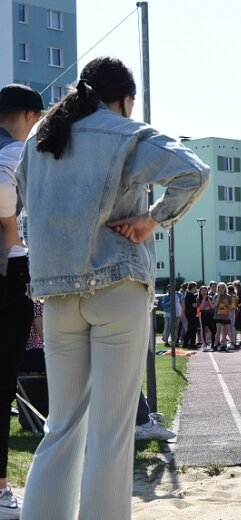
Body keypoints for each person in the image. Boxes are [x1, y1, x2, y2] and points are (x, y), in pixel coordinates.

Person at [16, 57, 209, 520]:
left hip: (57, 293)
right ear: (124, 99)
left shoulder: (39, 141)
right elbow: (195, 172)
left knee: (61, 425)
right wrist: (152, 219)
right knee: (111, 430)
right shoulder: (127, 133)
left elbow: (24, 199)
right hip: (116, 284)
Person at [0, 82, 43, 519]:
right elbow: (2, 195)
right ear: (30, 117)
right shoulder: (16, 153)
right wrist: (12, 228)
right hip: (8, 271)